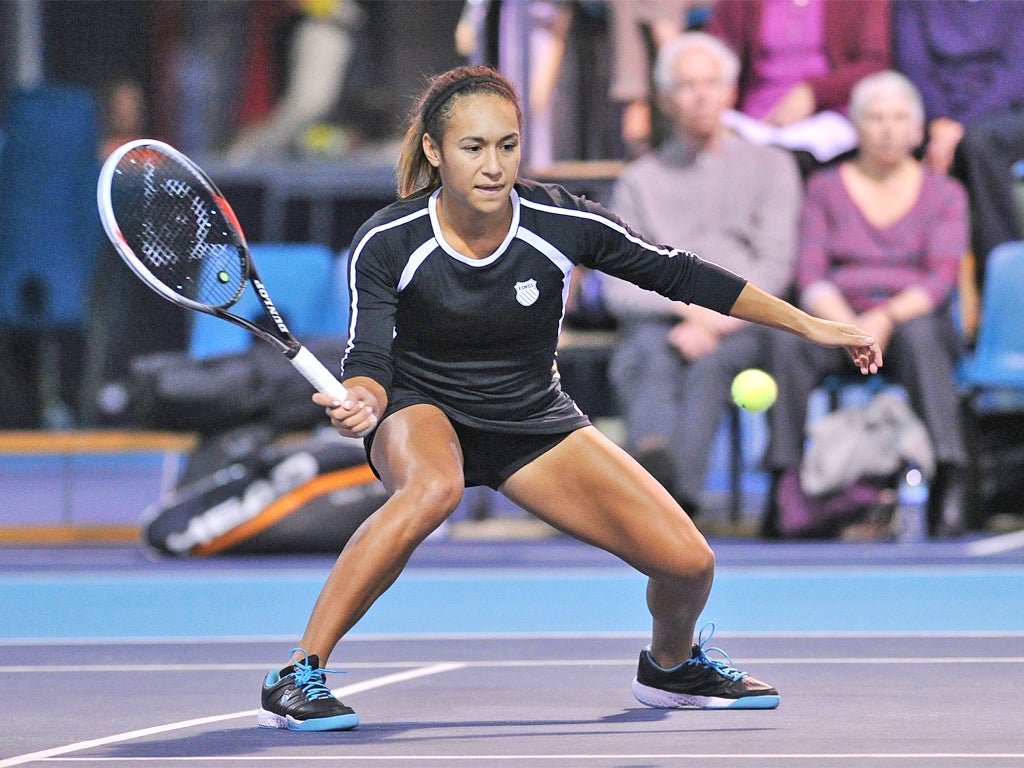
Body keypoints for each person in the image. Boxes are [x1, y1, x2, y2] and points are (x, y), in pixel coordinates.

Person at [256, 64, 882, 732]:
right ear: (436, 152)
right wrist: (363, 397)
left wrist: (809, 323)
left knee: (690, 563)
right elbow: (370, 357)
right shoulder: (390, 239)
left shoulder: (559, 220)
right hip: (422, 405)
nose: (493, 165)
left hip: (533, 420)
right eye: (473, 147)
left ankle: (670, 668)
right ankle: (298, 671)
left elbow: (679, 273)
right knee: (431, 490)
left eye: (507, 144)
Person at [599, 32, 801, 517]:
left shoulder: (772, 167)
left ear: (731, 92)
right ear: (667, 99)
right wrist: (685, 309)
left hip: (746, 319)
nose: (701, 95)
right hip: (662, 318)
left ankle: (666, 503)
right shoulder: (639, 181)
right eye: (687, 85)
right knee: (645, 354)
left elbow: (776, 264)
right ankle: (655, 464)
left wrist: (717, 319)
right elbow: (616, 286)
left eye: (711, 83)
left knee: (712, 368)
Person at [763, 71, 969, 540]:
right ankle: (785, 482)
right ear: (856, 127)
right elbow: (810, 274)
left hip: (908, 320)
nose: (889, 129)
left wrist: (884, 317)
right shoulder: (822, 188)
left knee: (925, 342)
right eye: (875, 118)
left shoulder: (945, 193)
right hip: (838, 317)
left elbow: (941, 279)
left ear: (918, 130)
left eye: (900, 118)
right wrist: (847, 326)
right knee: (788, 347)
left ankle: (950, 478)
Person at [892, 0, 1024, 293]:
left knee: (980, 144)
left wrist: (958, 127)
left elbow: (1014, 75)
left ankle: (1001, 290)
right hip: (934, 112)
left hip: (1005, 111)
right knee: (890, 134)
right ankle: (906, 295)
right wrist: (940, 123)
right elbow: (913, 67)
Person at [705, 0, 889, 175]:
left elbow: (874, 65)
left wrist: (813, 92)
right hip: (752, 124)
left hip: (828, 128)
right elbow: (712, 55)